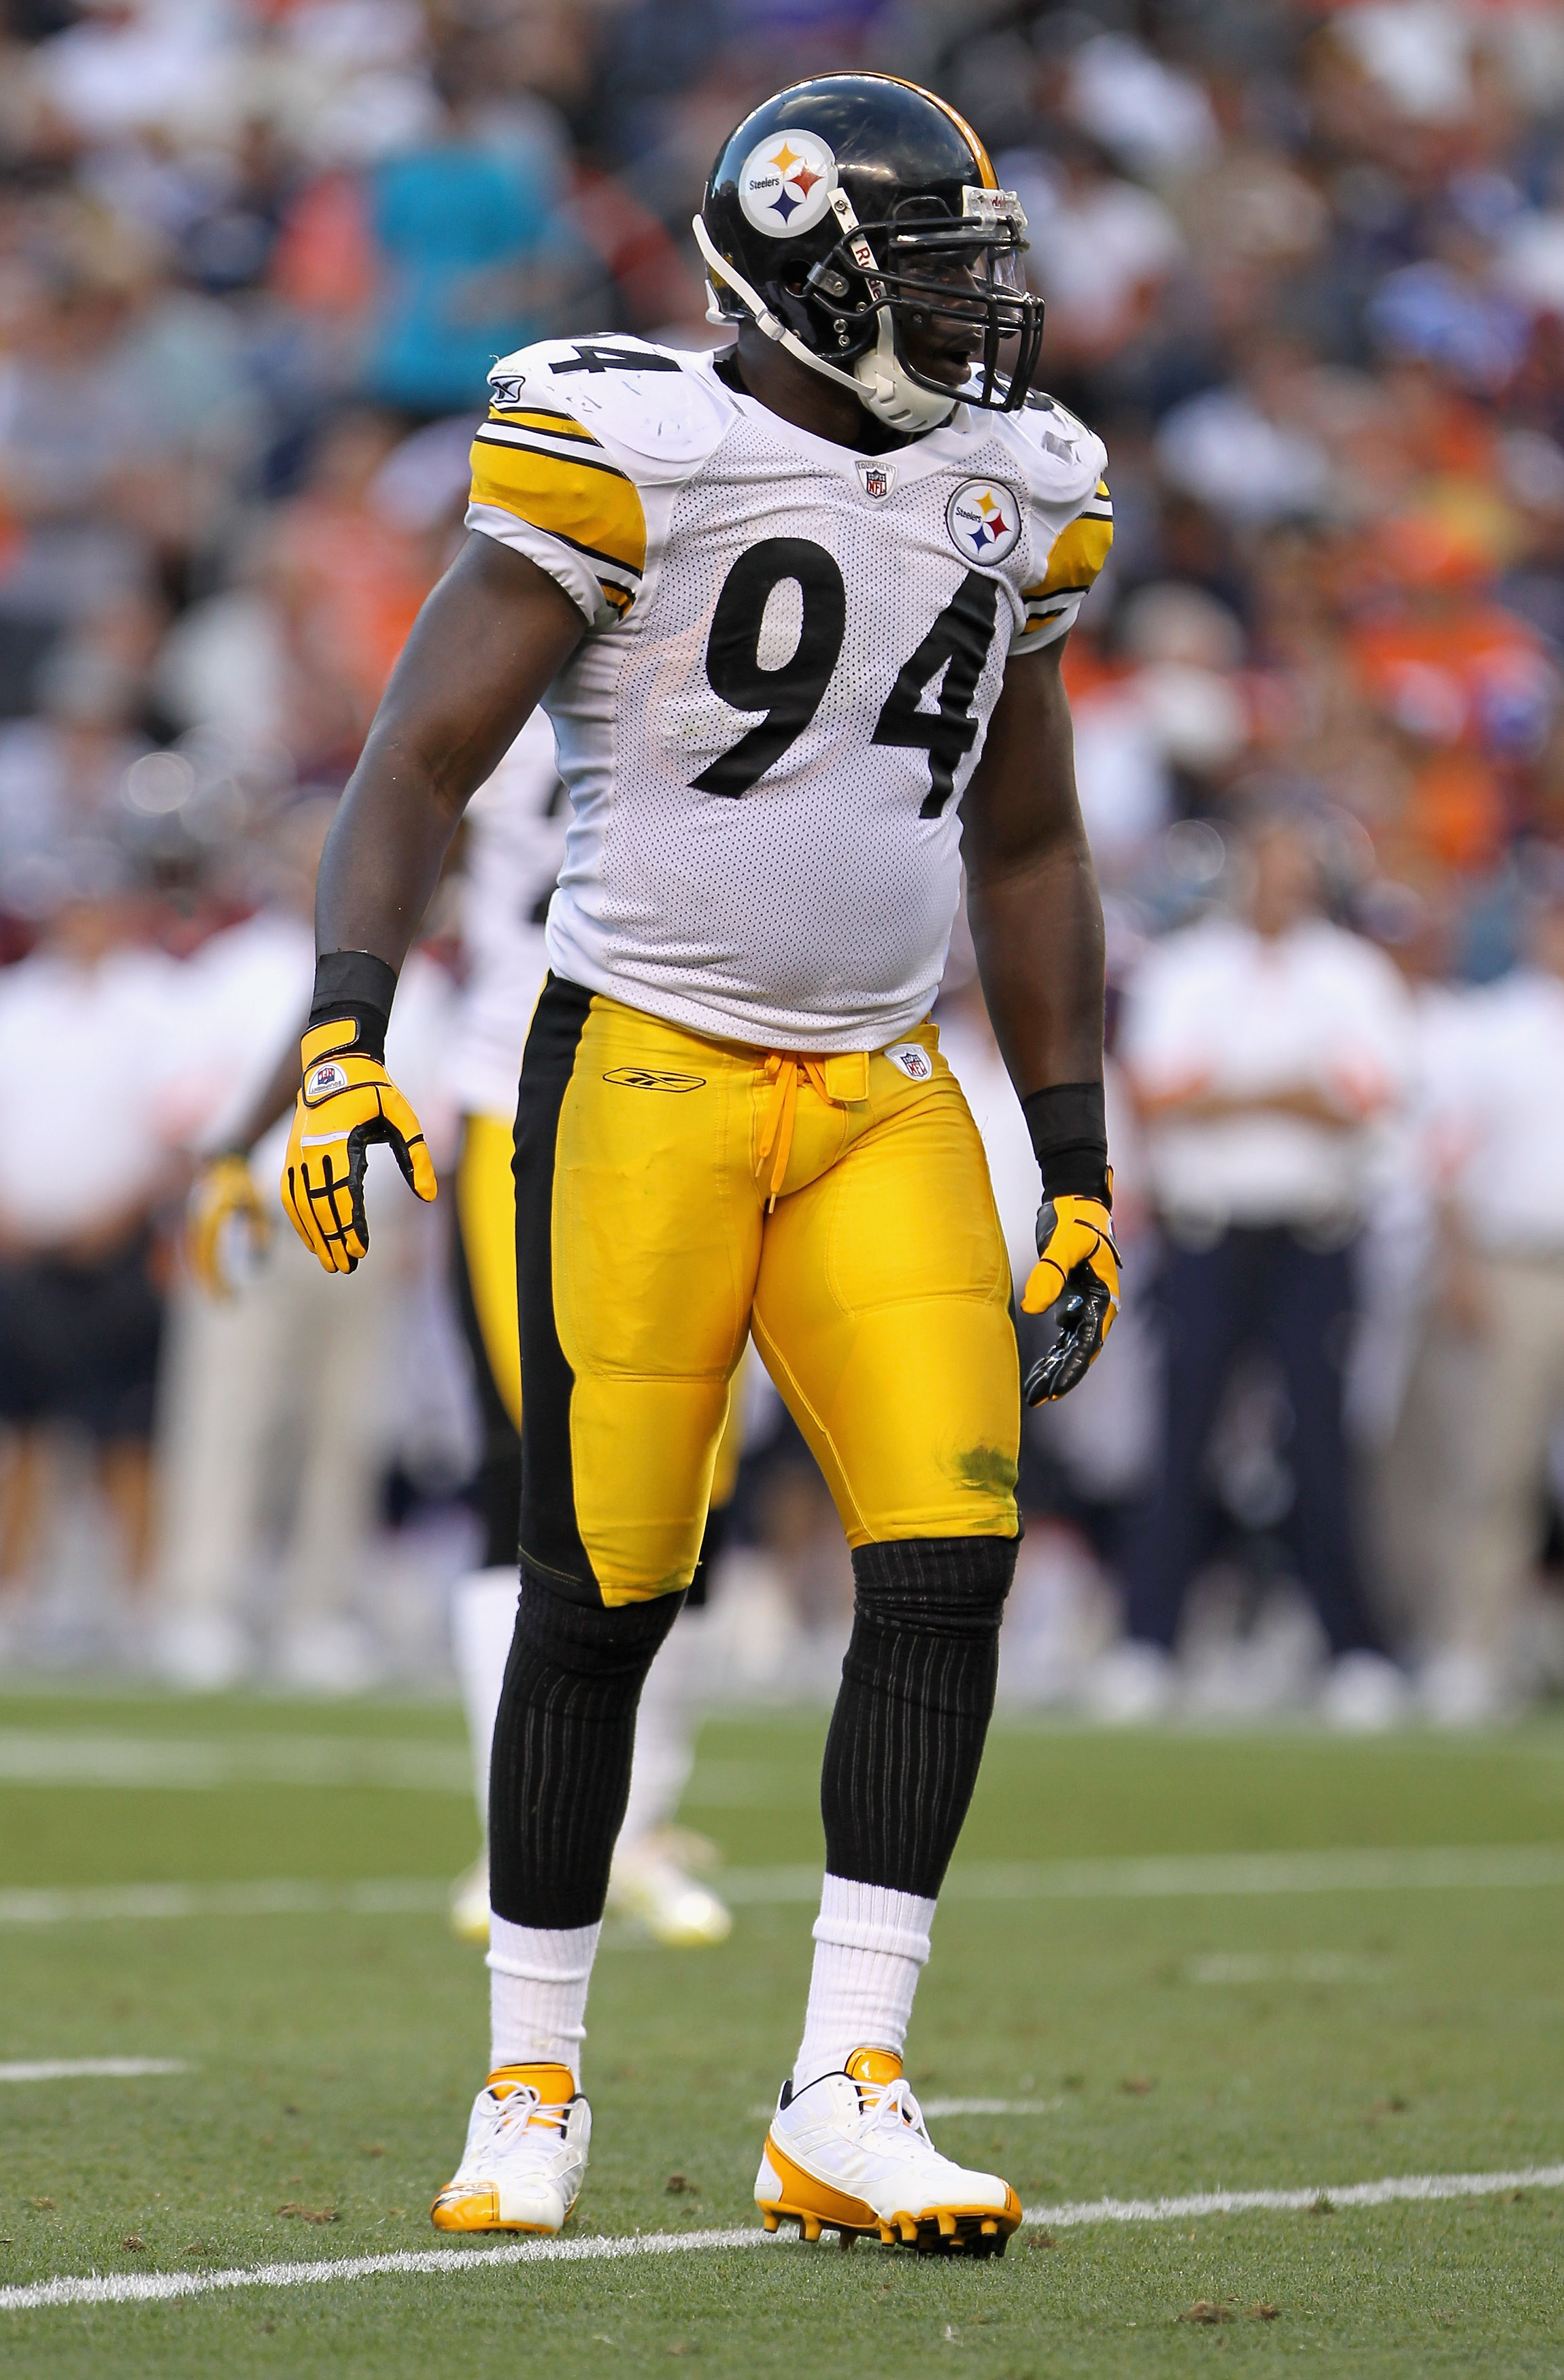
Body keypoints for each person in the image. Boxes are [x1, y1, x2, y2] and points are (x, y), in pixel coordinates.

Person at [276, 73, 1119, 2255]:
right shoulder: (630, 439)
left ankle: (847, 2083)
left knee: (944, 1558)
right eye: (925, 272)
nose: (970, 319)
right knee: (603, 1585)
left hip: (875, 1093)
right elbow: (419, 750)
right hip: (638, 1071)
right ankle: (529, 2072)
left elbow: (1025, 847)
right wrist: (346, 1030)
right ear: (801, 264)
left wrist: (1081, 1160)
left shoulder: (1012, 488)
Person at [1113, 815, 1414, 1727]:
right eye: (1268, 865)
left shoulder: (1354, 974)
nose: (1281, 883)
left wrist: (1229, 1091)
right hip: (1209, 1233)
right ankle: (1147, 1642)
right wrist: (1294, 1089)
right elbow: (1159, 1094)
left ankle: (1354, 1649)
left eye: (1296, 869)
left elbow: (1364, 1101)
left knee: (1321, 1445)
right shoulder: (1188, 966)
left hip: (1314, 1237)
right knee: (1179, 1439)